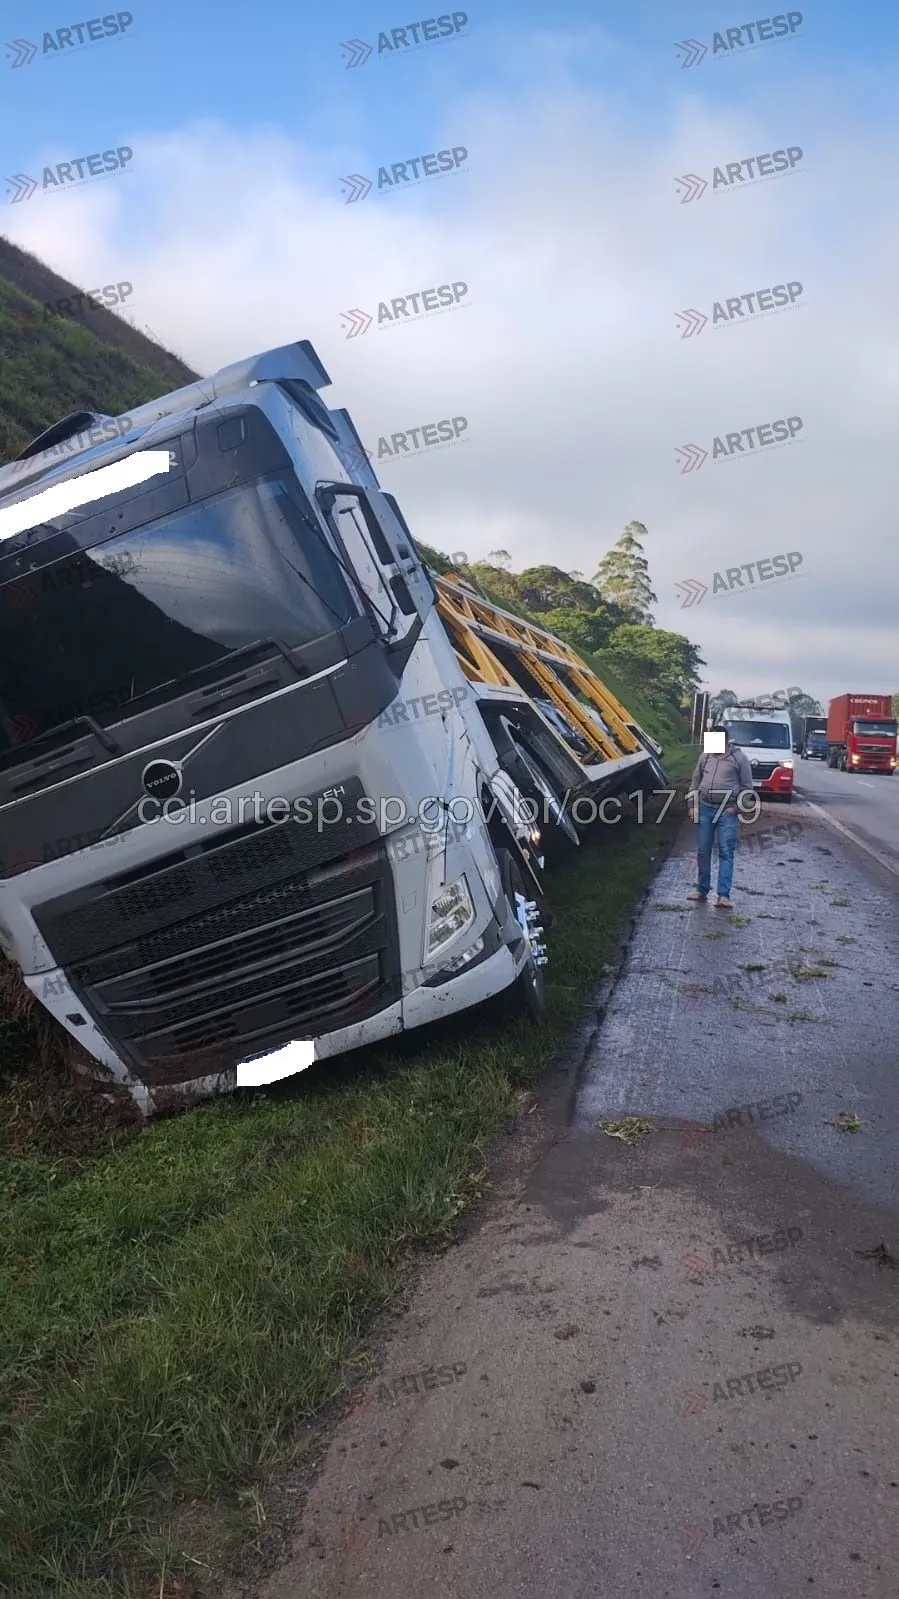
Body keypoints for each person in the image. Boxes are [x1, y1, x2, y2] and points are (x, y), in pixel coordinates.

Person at [686, 729, 755, 908]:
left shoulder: (739, 759)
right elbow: (695, 781)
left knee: (726, 852)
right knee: (703, 851)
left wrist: (737, 808)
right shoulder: (706, 757)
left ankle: (723, 895)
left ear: (725, 741)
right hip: (705, 808)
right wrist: (693, 805)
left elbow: (747, 787)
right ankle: (702, 890)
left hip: (727, 812)